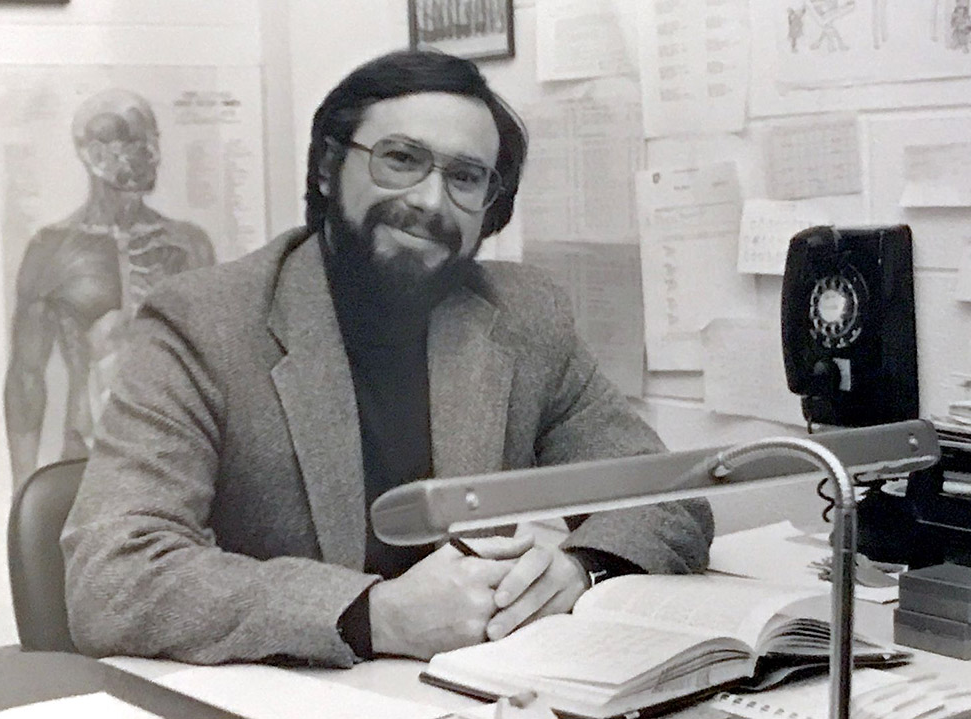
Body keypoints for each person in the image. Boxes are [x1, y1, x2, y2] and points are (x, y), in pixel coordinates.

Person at [61, 50, 713, 668]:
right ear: (325, 168)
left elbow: (671, 495)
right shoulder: (203, 323)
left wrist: (579, 569)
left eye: (464, 177)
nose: (430, 201)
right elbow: (114, 574)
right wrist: (376, 614)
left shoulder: (524, 314)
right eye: (401, 159)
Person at [3, 88, 215, 490]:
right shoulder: (53, 249)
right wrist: (23, 489)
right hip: (88, 454)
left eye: (152, 138)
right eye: (131, 141)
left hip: (179, 452)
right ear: (94, 154)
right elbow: (25, 375)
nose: (151, 152)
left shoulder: (189, 244)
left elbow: (217, 363)